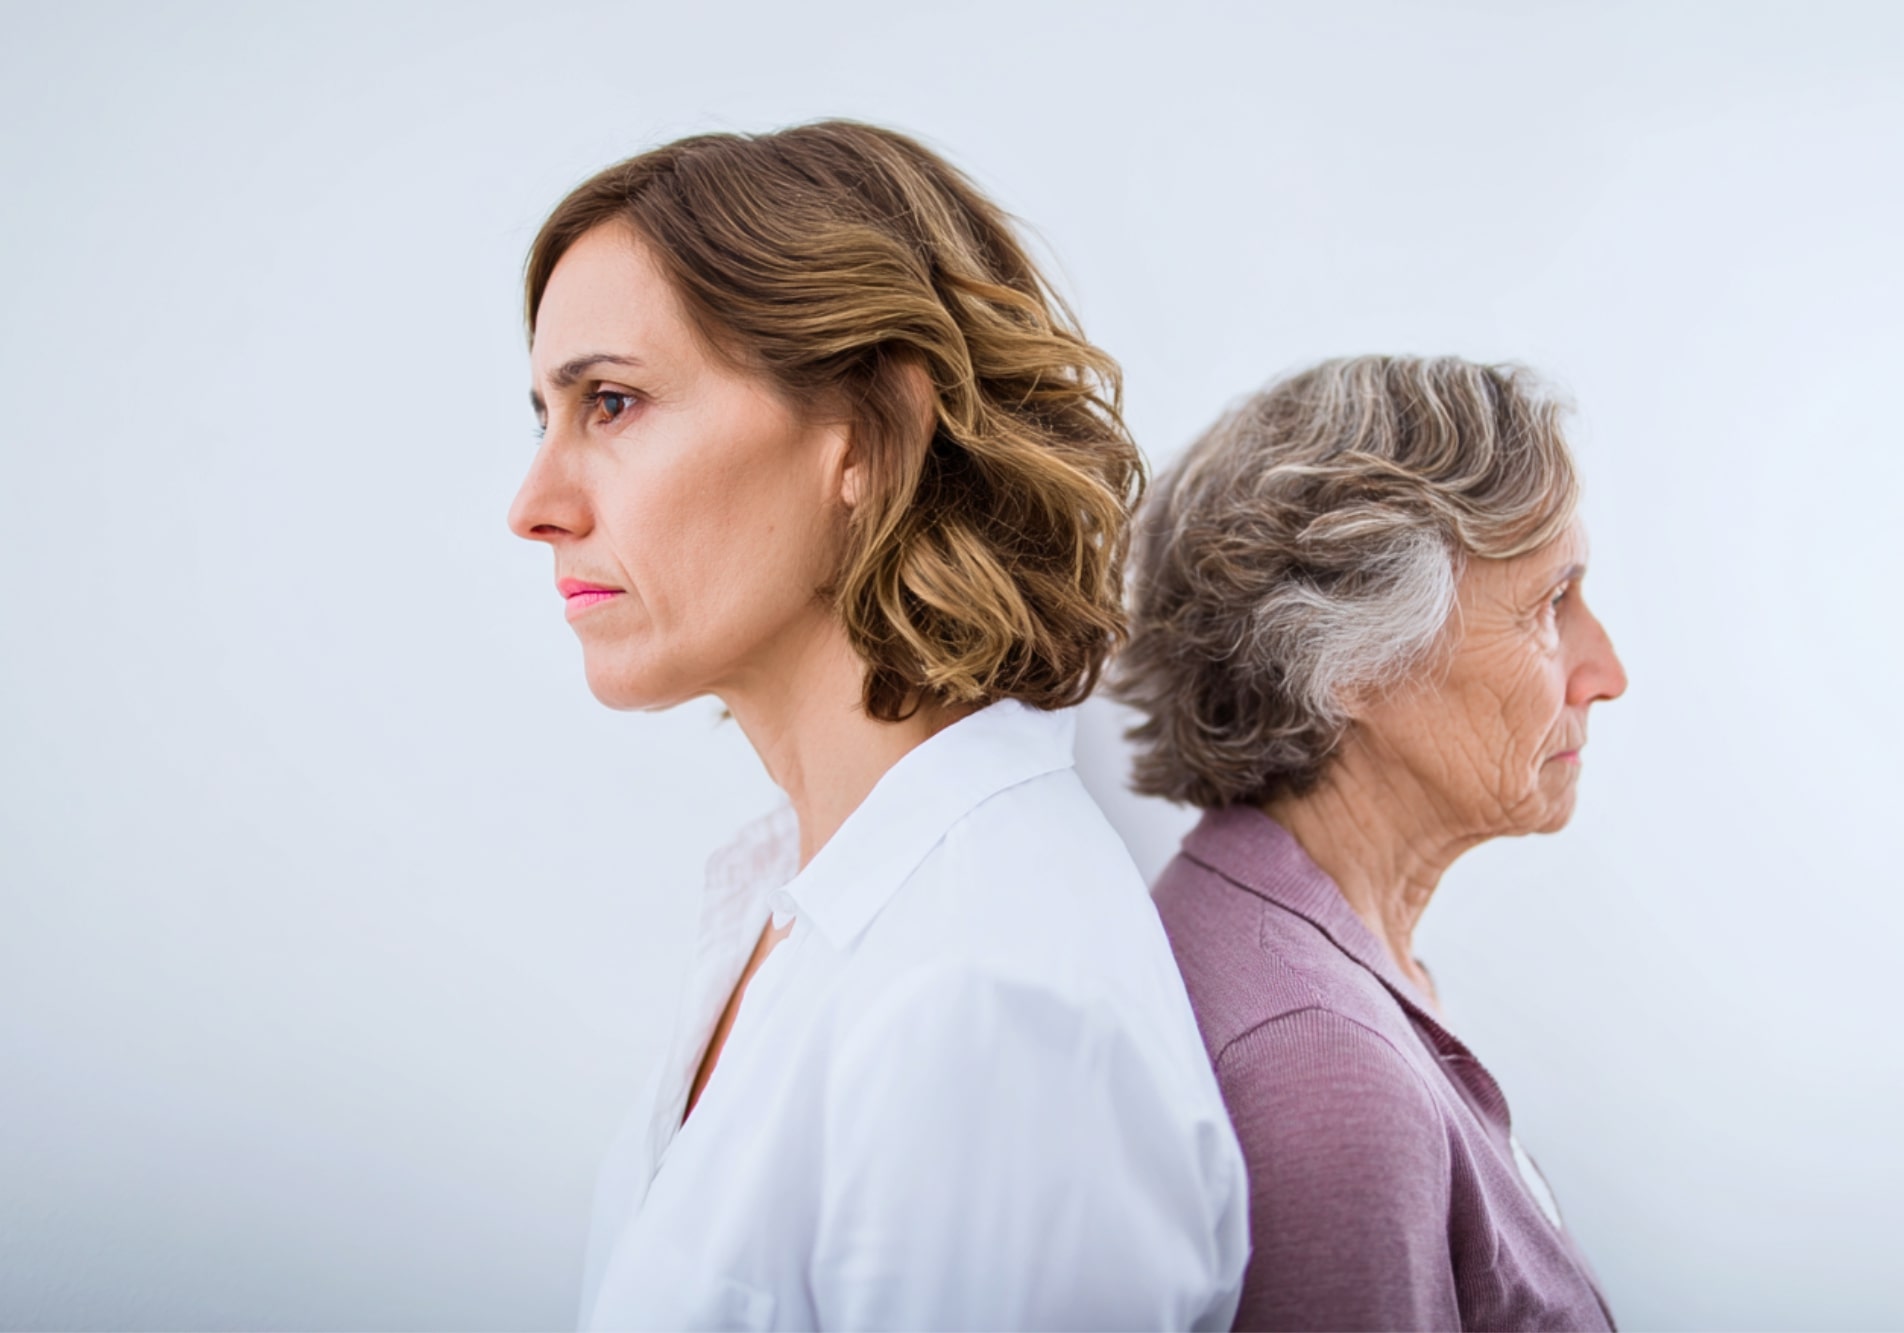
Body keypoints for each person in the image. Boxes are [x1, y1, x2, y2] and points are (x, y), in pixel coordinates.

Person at [508, 121, 1248, 1331]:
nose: (533, 504)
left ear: (868, 435)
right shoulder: (805, 908)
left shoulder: (985, 1004)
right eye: (542, 414)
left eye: (614, 402)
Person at [1115, 356, 1626, 1331]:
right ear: (1346, 657)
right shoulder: (1323, 1070)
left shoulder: (1296, 948)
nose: (1604, 671)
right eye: (1548, 605)